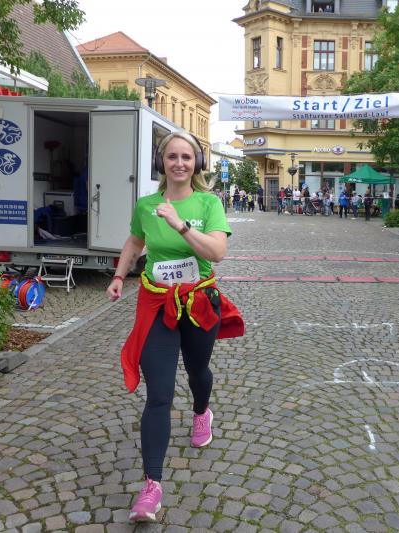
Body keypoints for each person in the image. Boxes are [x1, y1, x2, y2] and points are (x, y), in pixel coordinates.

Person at [106, 132, 244, 522]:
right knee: (159, 395)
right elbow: (135, 242)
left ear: (196, 163)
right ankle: (151, 487)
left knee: (198, 370)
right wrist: (119, 276)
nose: (179, 163)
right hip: (156, 303)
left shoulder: (208, 203)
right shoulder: (147, 205)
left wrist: (181, 225)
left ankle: (202, 411)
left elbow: (217, 252)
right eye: (172, 156)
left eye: (186, 156)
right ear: (161, 162)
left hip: (198, 302)